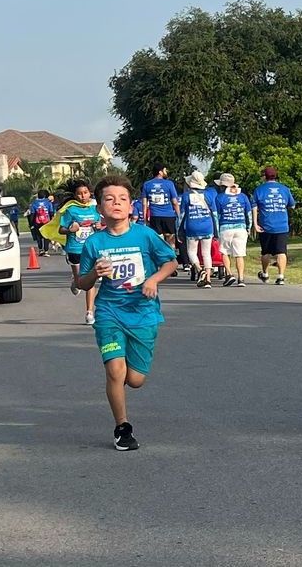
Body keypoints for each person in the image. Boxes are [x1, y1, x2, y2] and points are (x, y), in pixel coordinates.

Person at [77, 175, 178, 451]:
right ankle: (122, 428)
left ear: (131, 206)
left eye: (122, 199)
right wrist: (93, 274)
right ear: (100, 207)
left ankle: (126, 383)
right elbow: (81, 283)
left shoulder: (145, 235)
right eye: (109, 199)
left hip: (143, 314)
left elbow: (170, 262)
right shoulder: (94, 243)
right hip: (109, 312)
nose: (116, 203)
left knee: (135, 380)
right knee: (115, 371)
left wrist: (153, 280)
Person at [59, 180, 104, 325]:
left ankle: (89, 312)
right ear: (75, 195)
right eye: (79, 193)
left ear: (89, 193)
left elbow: (100, 226)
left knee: (90, 281)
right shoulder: (70, 210)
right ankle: (75, 283)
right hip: (74, 248)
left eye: (85, 193)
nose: (82, 196)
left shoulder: (95, 209)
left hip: (90, 249)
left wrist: (99, 227)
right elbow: (61, 229)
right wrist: (70, 230)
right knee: (80, 282)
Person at [252, 167, 296, 285]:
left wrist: (255, 224)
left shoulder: (259, 190)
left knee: (265, 252)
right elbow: (292, 205)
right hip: (281, 225)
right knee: (281, 252)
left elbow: (254, 207)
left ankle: (265, 273)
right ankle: (281, 276)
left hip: (266, 225)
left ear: (265, 177)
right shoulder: (285, 189)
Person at [213, 173, 252, 287]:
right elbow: (248, 214)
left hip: (225, 227)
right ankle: (241, 278)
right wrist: (248, 227)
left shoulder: (220, 197)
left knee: (225, 252)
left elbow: (216, 216)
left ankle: (229, 274)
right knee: (239, 254)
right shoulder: (243, 196)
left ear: (222, 186)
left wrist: (216, 230)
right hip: (241, 227)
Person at [179, 171, 217, 288]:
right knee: (206, 253)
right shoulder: (209, 195)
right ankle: (208, 280)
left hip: (192, 227)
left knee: (191, 252)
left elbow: (181, 216)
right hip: (207, 226)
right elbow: (214, 214)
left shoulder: (186, 196)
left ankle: (200, 270)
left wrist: (178, 231)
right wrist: (217, 230)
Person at [140, 164, 180, 252]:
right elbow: (175, 202)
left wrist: (145, 218)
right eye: (165, 170)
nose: (166, 172)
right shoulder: (169, 184)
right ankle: (171, 257)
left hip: (155, 216)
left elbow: (144, 204)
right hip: (169, 216)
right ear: (160, 172)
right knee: (170, 239)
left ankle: (160, 258)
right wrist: (178, 215)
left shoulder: (147, 184)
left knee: (158, 239)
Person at [27, 189, 54, 256]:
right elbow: (51, 212)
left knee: (38, 236)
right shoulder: (48, 202)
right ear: (45, 195)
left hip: (37, 222)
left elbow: (32, 214)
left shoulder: (34, 203)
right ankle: (46, 251)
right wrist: (52, 220)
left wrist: (31, 224)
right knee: (46, 236)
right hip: (47, 222)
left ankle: (40, 250)